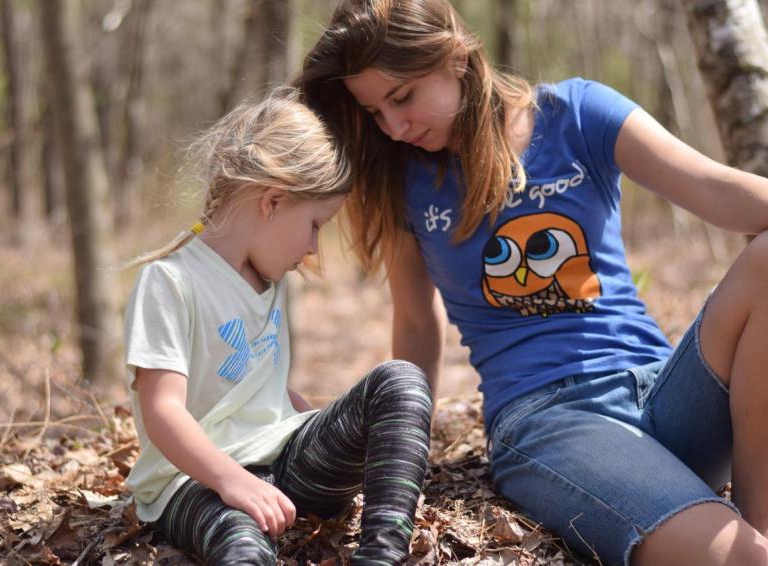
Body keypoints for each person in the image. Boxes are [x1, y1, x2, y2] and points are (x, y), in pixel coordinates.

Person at [296, 1, 768, 564]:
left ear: (456, 59)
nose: (394, 127)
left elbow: (719, 192)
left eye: (402, 97)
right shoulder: (404, 180)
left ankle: (759, 516)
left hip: (667, 388)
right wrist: (406, 452)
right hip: (549, 419)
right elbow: (418, 323)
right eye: (374, 111)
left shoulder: (579, 114)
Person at [122, 88, 433, 565]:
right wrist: (231, 479)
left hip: (285, 462)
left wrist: (324, 426)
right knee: (242, 547)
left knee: (403, 380)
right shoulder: (170, 282)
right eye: (315, 225)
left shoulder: (272, 281)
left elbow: (259, 384)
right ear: (271, 202)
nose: (312, 248)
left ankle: (382, 555)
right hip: (196, 483)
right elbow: (162, 410)